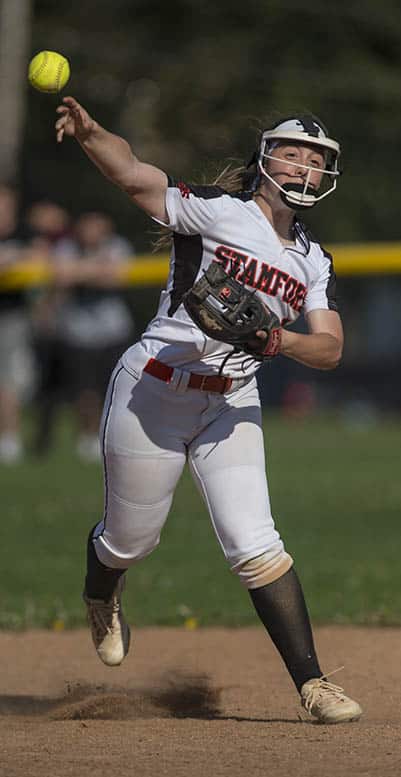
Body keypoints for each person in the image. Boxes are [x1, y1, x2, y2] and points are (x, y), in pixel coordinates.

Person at [55, 96, 362, 724]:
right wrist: (91, 134)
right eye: (293, 154)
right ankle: (101, 593)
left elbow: (329, 348)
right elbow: (133, 175)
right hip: (153, 393)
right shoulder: (218, 210)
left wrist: (276, 341)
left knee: (256, 542)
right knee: (129, 541)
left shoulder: (313, 260)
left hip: (231, 402)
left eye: (316, 160)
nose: (304, 167)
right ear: (265, 159)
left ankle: (314, 684)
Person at [49, 211, 135, 460]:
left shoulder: (118, 245)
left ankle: (115, 436)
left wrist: (80, 271)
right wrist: (96, 270)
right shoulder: (66, 247)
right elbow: (62, 277)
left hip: (113, 331)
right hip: (78, 332)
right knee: (84, 389)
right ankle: (88, 436)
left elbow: (116, 278)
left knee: (117, 389)